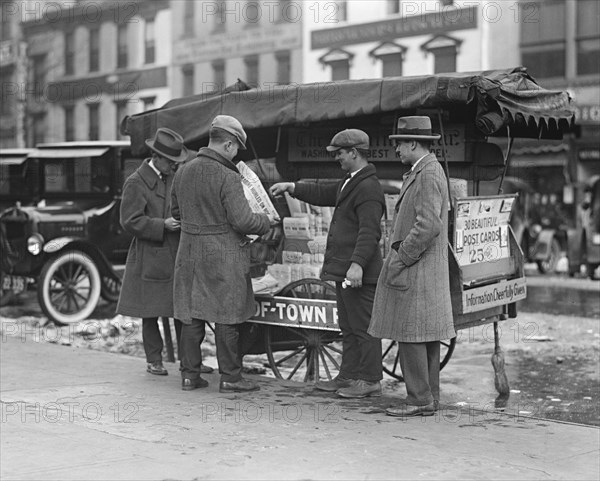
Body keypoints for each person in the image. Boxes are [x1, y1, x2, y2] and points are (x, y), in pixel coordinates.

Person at [270, 129, 385, 398]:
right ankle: (348, 376)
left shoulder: (368, 187)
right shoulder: (352, 181)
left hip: (358, 273)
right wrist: (293, 188)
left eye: (340, 154)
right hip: (346, 271)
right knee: (348, 327)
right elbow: (324, 192)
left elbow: (370, 232)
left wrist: (357, 264)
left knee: (363, 328)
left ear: (354, 153)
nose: (338, 159)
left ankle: (369, 379)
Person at [171, 115, 273, 393]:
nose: (236, 154)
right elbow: (242, 221)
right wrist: (266, 221)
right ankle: (230, 378)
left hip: (189, 251)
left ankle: (190, 375)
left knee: (192, 314)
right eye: (236, 148)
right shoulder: (228, 176)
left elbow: (175, 213)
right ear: (228, 145)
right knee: (226, 314)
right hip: (222, 254)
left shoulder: (183, 171)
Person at [368, 116, 456, 417]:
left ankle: (419, 400)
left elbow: (429, 223)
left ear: (414, 143)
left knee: (410, 334)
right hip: (424, 269)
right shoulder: (426, 170)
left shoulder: (428, 173)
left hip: (416, 268)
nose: (396, 150)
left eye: (400, 144)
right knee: (425, 335)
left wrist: (402, 256)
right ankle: (429, 397)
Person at [117, 127, 189, 377]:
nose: (175, 166)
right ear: (156, 157)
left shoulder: (171, 176)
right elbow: (129, 221)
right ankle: (154, 360)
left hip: (174, 254)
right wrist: (162, 225)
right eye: (171, 162)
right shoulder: (136, 182)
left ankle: (189, 361)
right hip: (149, 256)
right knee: (150, 312)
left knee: (182, 309)